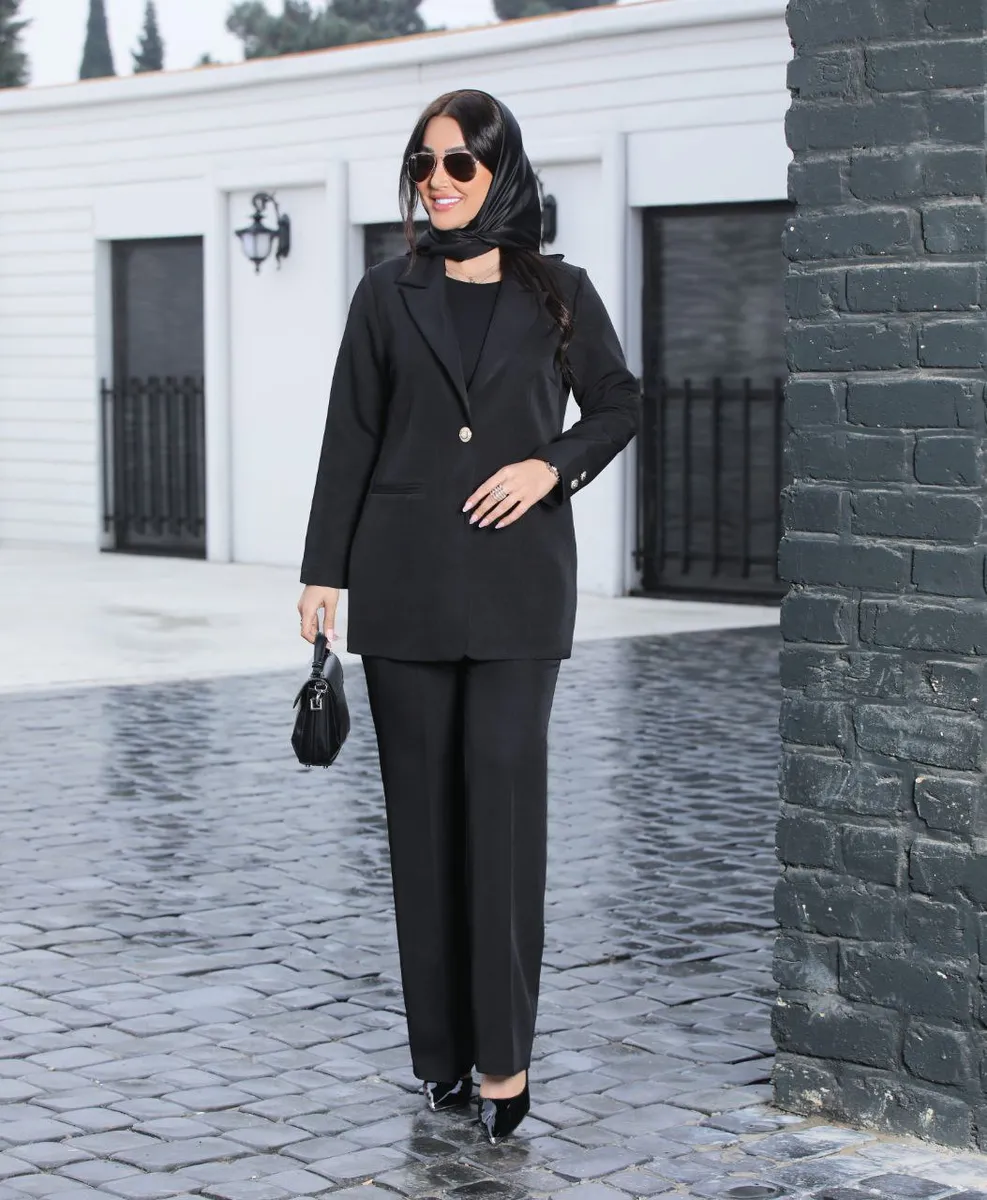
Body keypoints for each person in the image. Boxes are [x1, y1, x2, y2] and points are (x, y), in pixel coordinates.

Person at [297, 89, 640, 1144]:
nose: (436, 182)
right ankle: (440, 1059)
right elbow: (350, 434)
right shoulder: (384, 294)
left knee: (501, 819)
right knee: (422, 830)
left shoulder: (559, 293)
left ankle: (505, 1063)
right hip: (401, 589)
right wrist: (321, 572)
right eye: (423, 163)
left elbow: (620, 403)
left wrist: (550, 467)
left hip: (515, 595)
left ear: (501, 172)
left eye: (458, 164)